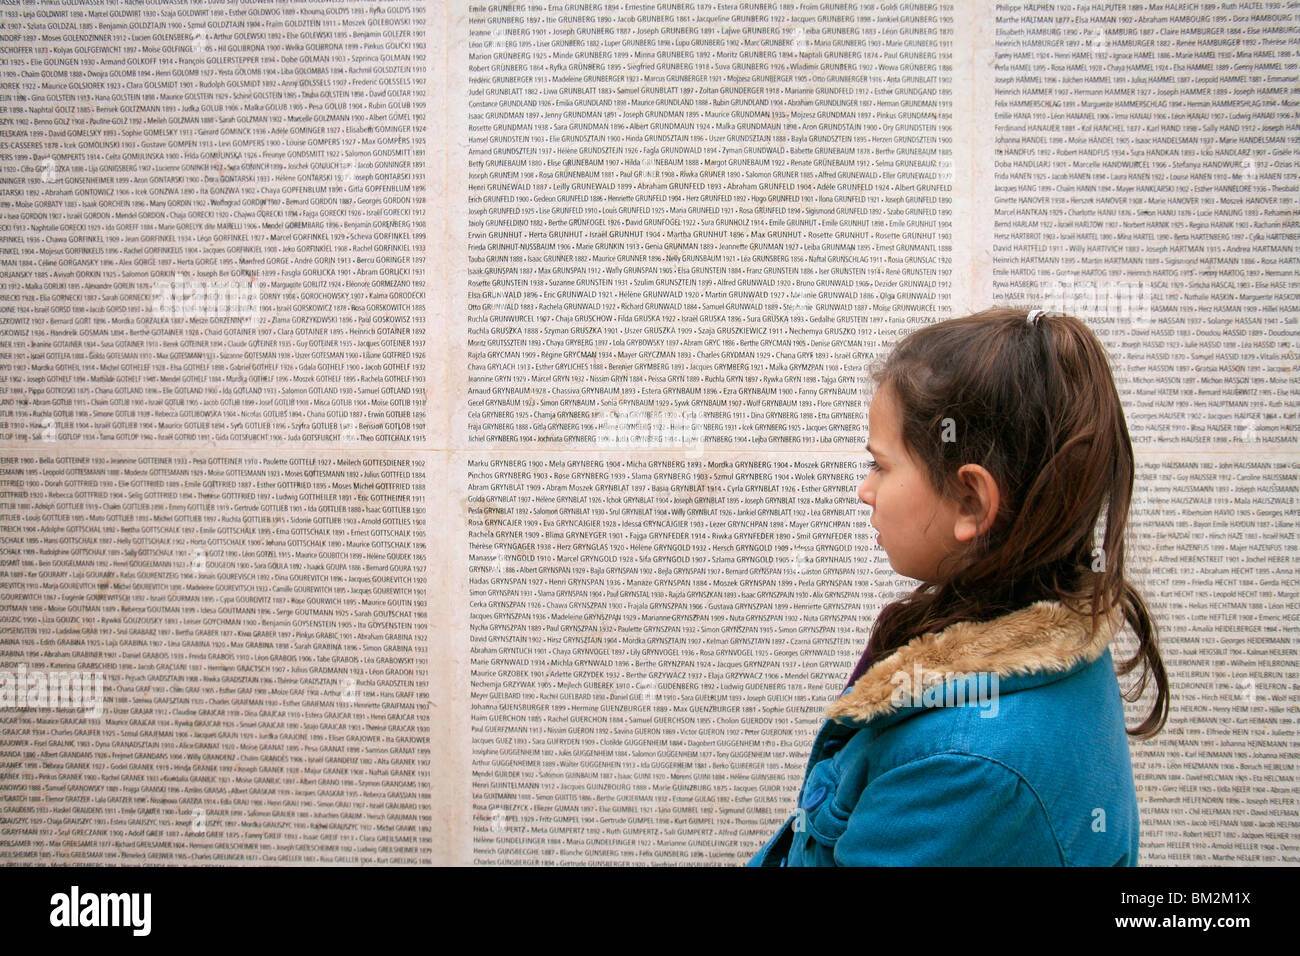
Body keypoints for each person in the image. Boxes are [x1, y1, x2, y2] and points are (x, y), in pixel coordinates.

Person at [747, 307, 1169, 866]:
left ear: (971, 501)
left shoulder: (967, 764)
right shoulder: (1024, 649)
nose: (864, 491)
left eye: (881, 465)